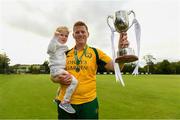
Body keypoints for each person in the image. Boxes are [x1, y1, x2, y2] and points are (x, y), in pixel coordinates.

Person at [51, 21, 129, 119]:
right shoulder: (65, 54)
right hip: (64, 102)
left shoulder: (96, 53)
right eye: (77, 32)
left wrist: (121, 51)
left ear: (88, 34)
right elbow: (53, 76)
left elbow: (116, 67)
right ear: (73, 35)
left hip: (88, 103)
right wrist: (58, 79)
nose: (80, 34)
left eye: (83, 32)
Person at [47, 26, 78, 114]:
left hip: (59, 69)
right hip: (56, 69)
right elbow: (49, 50)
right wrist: (54, 37)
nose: (64, 37)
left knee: (62, 85)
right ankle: (65, 102)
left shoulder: (64, 47)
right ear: (57, 35)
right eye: (61, 35)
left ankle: (57, 98)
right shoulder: (54, 44)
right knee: (74, 82)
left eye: (66, 36)